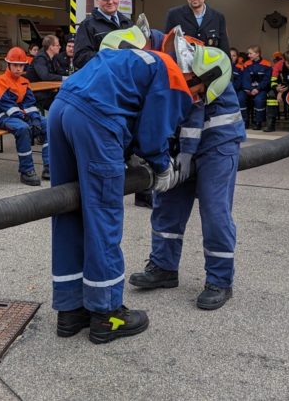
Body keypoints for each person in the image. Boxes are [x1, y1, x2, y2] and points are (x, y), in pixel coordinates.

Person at [48, 26, 231, 343]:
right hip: (96, 120)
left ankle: (71, 310)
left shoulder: (143, 59)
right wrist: (161, 168)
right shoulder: (173, 74)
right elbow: (152, 134)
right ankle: (107, 315)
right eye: (200, 93)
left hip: (61, 110)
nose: (195, 100)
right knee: (103, 215)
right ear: (199, 76)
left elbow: (130, 109)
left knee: (69, 211)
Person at [129, 39, 245, 311]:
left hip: (219, 145)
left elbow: (193, 113)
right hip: (183, 146)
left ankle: (220, 281)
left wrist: (184, 155)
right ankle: (163, 267)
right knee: (167, 203)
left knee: (215, 211)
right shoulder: (184, 65)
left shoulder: (210, 76)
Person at [0, 47, 49, 186]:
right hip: (3, 116)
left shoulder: (24, 81)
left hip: (20, 116)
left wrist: (34, 118)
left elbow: (30, 104)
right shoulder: (1, 82)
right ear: (8, 65)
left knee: (47, 123)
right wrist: (28, 120)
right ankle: (26, 171)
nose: (18, 68)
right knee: (23, 129)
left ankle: (49, 166)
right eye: (15, 65)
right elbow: (9, 107)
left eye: (21, 65)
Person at [73, 0, 134, 69]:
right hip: (103, 79)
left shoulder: (127, 23)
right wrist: (108, 56)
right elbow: (79, 58)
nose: (110, 2)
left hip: (125, 77)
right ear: (97, 0)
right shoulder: (87, 25)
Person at [165, 0, 230, 54]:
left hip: (209, 66)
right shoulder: (174, 15)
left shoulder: (218, 18)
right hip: (182, 66)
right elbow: (167, 47)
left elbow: (224, 50)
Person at [25, 35, 68, 112]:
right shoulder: (40, 58)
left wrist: (73, 76)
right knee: (60, 106)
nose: (60, 47)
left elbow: (60, 71)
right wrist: (64, 78)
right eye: (58, 45)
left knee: (65, 98)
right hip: (36, 92)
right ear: (51, 47)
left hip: (48, 90)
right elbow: (45, 76)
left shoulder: (53, 57)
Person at [268, 49, 289, 132]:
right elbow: (273, 81)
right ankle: (270, 124)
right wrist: (276, 88)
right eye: (288, 63)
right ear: (284, 60)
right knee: (271, 95)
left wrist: (288, 88)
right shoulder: (278, 65)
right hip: (281, 87)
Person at [240, 45, 272, 130]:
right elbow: (245, 79)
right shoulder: (247, 64)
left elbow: (266, 80)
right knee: (241, 98)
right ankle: (244, 121)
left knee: (259, 100)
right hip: (248, 89)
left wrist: (257, 89)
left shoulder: (267, 64)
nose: (248, 55)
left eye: (250, 53)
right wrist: (250, 89)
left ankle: (258, 122)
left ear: (257, 54)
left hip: (261, 89)